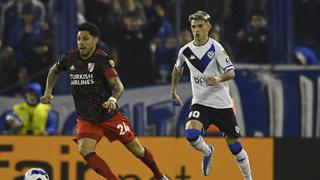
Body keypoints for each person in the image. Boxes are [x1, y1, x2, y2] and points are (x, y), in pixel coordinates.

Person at [40, 22, 168, 180]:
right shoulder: (69, 58)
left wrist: (113, 99)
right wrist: (48, 92)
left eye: (85, 39)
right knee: (84, 150)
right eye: (79, 39)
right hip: (86, 118)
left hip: (109, 115)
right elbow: (53, 71)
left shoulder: (102, 60)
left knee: (138, 151)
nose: (81, 42)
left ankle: (159, 175)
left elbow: (118, 86)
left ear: (95, 40)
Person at [170, 11, 253, 179]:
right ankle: (207, 151)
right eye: (193, 27)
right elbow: (177, 68)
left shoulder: (216, 48)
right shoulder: (185, 51)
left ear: (208, 26)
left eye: (200, 26)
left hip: (222, 104)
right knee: (191, 135)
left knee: (235, 147)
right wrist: (173, 90)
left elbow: (231, 73)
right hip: (200, 103)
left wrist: (218, 78)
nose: (196, 30)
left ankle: (248, 178)